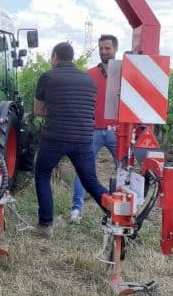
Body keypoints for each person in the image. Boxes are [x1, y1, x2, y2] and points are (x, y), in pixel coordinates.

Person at [32, 42, 109, 237]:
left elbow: (38, 110)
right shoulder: (88, 80)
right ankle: (115, 214)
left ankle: (46, 225)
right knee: (90, 181)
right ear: (71, 57)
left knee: (42, 174)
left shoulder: (47, 77)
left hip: (55, 137)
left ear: (55, 56)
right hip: (83, 137)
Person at [70, 34, 119, 222]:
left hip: (117, 132)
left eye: (107, 48)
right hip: (93, 130)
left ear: (115, 49)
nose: (104, 51)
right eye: (101, 48)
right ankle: (76, 208)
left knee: (123, 171)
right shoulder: (89, 74)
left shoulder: (124, 73)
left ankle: (119, 209)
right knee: (83, 169)